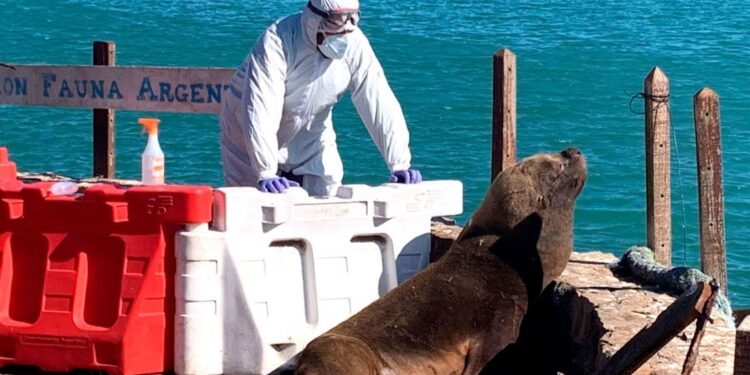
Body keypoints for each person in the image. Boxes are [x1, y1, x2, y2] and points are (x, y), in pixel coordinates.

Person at [220, 0, 421, 196]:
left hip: (312, 134)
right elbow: (260, 108)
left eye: (353, 18)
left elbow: (378, 100)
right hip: (246, 137)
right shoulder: (277, 40)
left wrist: (399, 163)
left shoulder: (355, 43)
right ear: (315, 18)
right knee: (254, 206)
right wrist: (265, 171)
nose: (346, 27)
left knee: (327, 199)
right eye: (337, 20)